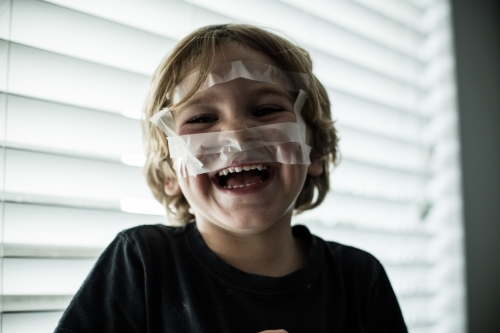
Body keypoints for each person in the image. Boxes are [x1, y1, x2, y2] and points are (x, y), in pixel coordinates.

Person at [54, 24, 408, 333]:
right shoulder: (142, 262)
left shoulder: (359, 278)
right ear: (169, 173)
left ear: (313, 153)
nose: (237, 138)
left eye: (266, 110)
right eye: (202, 118)